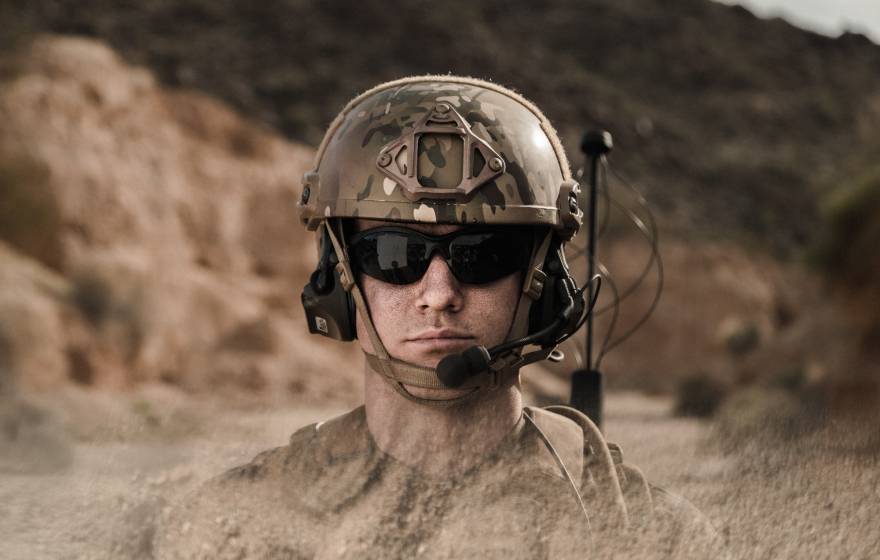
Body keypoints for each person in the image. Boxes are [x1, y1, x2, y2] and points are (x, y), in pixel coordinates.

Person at [154, 76, 725, 559]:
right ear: (340, 277)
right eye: (394, 255)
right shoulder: (235, 527)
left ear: (540, 282)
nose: (439, 293)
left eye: (481, 254)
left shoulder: (652, 535)